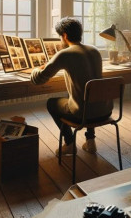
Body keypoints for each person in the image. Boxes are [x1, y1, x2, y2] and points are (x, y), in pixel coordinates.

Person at [31, 17, 112, 154]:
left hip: (83, 115)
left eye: (60, 37)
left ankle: (69, 143)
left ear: (65, 35)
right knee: (87, 96)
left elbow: (39, 79)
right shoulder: (94, 51)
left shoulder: (65, 54)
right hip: (105, 111)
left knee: (52, 103)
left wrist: (35, 69)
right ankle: (90, 141)